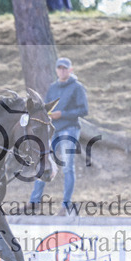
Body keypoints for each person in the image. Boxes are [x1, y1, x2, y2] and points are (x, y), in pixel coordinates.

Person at [29, 57, 89, 214]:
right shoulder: (53, 87)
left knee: (68, 167)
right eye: (59, 68)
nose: (62, 71)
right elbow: (46, 107)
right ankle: (34, 202)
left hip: (70, 129)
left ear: (71, 70)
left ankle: (66, 205)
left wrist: (62, 114)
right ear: (56, 70)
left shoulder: (77, 87)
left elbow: (84, 110)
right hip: (53, 130)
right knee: (43, 162)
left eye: (65, 68)